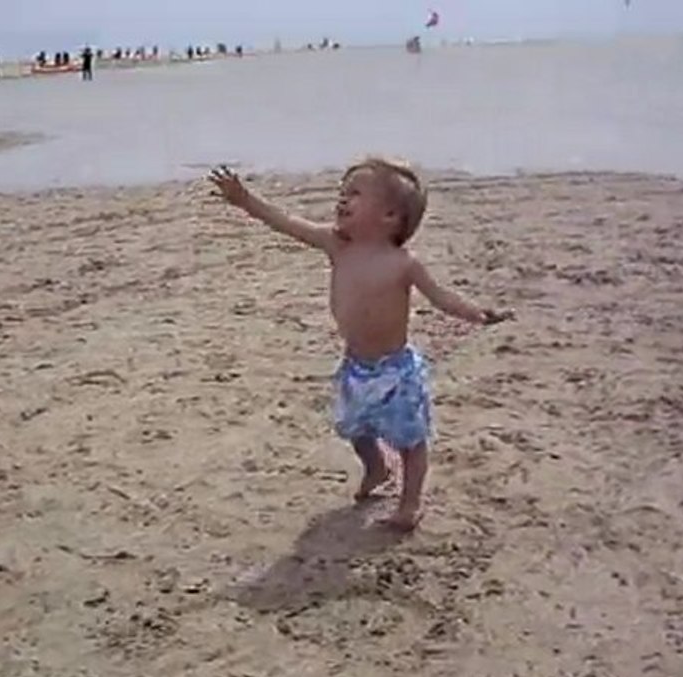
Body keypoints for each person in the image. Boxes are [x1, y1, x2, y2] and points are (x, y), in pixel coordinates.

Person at [209, 159, 514, 531]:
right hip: (355, 367)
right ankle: (377, 468)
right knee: (356, 430)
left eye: (354, 193)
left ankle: (410, 503)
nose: (341, 199)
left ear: (389, 216)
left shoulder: (403, 263)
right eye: (342, 191)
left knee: (411, 440)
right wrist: (245, 200)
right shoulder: (336, 245)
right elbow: (285, 223)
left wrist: (478, 314)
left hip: (396, 370)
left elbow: (441, 297)